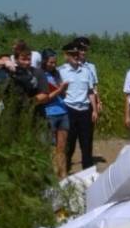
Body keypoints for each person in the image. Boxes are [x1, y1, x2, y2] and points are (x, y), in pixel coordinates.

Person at [59, 41, 99, 171]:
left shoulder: (86, 71)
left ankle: (87, 170)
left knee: (86, 142)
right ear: (66, 56)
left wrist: (94, 110)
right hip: (69, 110)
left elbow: (90, 92)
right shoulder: (61, 71)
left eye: (77, 54)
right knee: (69, 142)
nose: (76, 56)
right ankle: (65, 169)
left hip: (85, 110)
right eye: (73, 54)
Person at [37, 49, 70, 178]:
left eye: (55, 62)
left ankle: (63, 174)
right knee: (50, 146)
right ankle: (52, 175)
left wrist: (63, 90)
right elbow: (44, 98)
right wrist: (59, 90)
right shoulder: (40, 75)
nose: (53, 65)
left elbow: (62, 94)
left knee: (62, 146)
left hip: (63, 111)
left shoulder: (57, 74)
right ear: (44, 61)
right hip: (49, 112)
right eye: (51, 62)